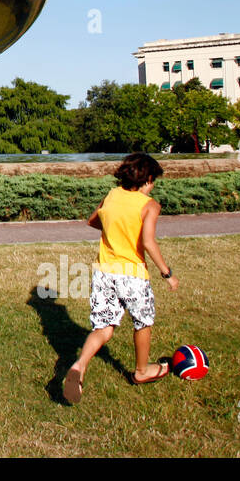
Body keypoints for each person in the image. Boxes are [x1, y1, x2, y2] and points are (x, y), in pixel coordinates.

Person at [63, 152, 178, 404]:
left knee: (103, 327)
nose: (153, 186)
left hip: (104, 272)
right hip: (132, 275)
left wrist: (115, 228)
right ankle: (141, 371)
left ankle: (79, 365)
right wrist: (166, 273)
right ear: (147, 179)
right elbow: (148, 241)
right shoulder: (149, 205)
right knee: (143, 322)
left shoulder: (112, 195)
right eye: (153, 181)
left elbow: (93, 221)